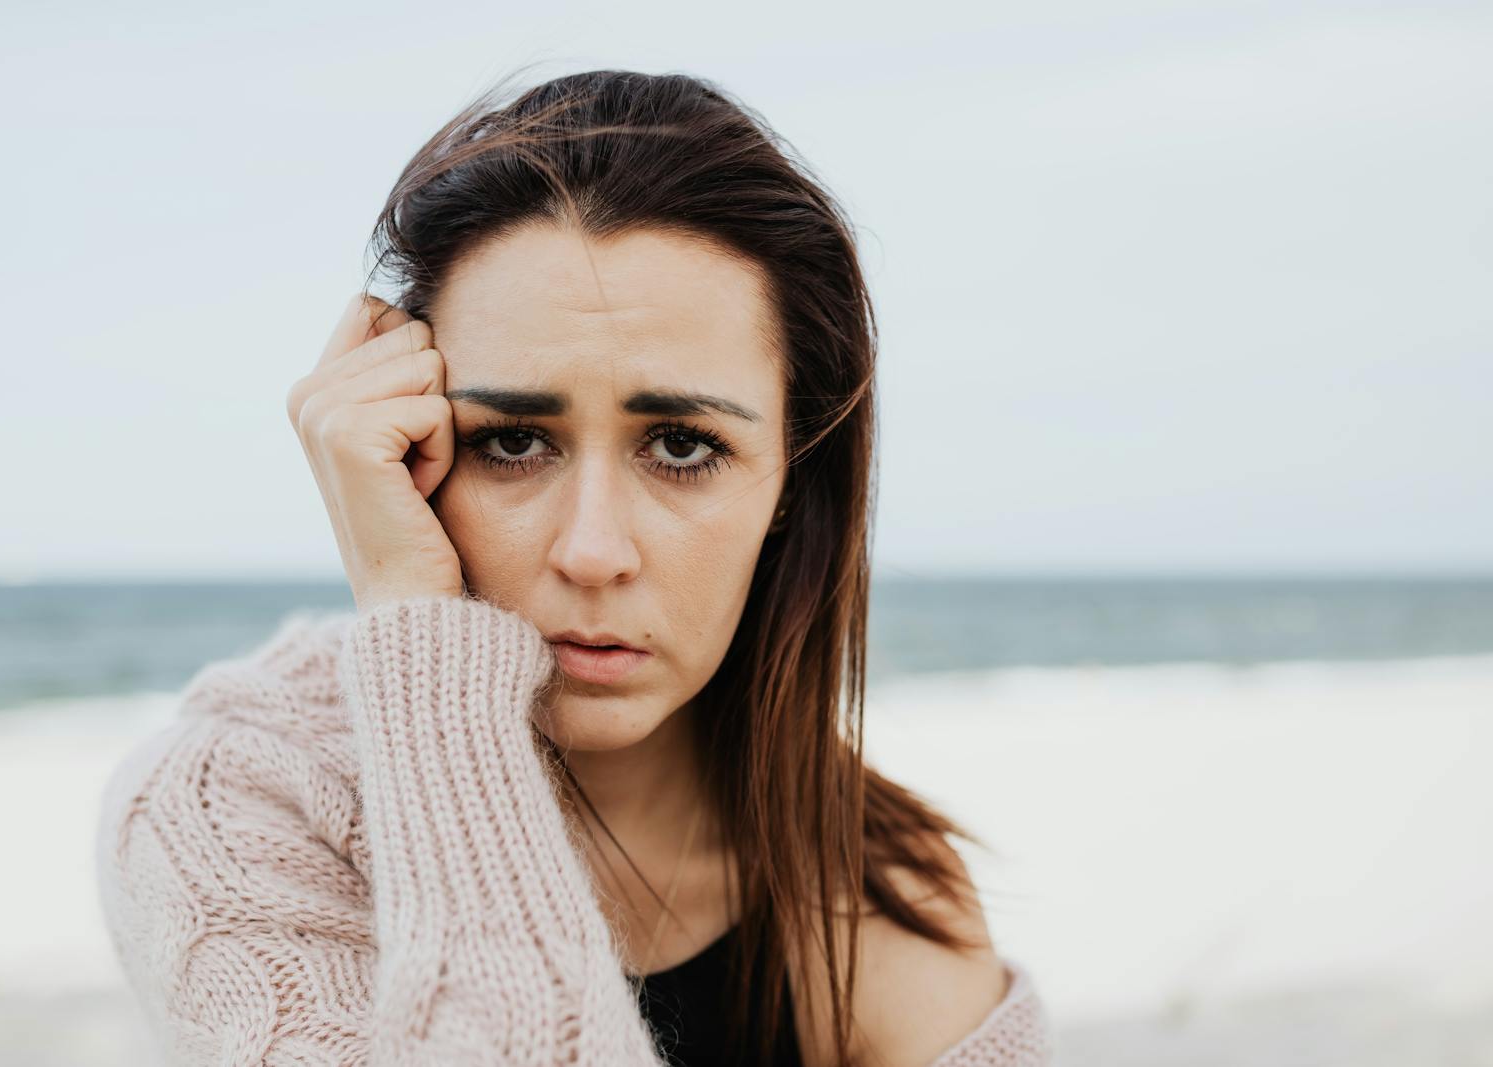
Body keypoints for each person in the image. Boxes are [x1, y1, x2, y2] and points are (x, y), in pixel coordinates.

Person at [95, 68, 1054, 1066]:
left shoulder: (875, 884)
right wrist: (420, 629)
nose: (592, 550)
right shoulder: (231, 809)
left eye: (681, 446)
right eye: (512, 441)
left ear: (789, 485)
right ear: (407, 448)